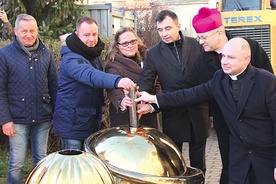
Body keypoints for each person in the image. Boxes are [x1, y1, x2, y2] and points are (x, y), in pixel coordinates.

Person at [135, 37, 276, 184]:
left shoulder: (267, 82)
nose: (224, 61)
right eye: (223, 56)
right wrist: (154, 100)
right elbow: (190, 94)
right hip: (238, 160)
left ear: (247, 59)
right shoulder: (219, 79)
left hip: (266, 159)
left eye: (231, 58)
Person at [137, 10, 210, 173]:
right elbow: (147, 79)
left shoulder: (197, 45)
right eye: (160, 30)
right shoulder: (154, 53)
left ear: (178, 26)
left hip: (198, 112)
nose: (164, 33)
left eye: (168, 28)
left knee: (199, 164)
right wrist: (139, 94)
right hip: (173, 113)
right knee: (174, 164)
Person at [53, 17, 134, 150]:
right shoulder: (71, 58)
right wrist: (118, 81)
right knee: (74, 164)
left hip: (88, 119)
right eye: (86, 35)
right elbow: (90, 75)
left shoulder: (92, 54)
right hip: (72, 123)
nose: (91, 39)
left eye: (94, 34)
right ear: (77, 34)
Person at [0, 14, 58, 184]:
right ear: (16, 31)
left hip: (42, 118)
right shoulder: (4, 54)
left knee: (41, 160)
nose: (28, 35)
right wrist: (5, 120)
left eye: (32, 31)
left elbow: (54, 87)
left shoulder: (46, 53)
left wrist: (57, 115)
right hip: (16, 119)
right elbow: (0, 90)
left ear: (37, 30)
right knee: (17, 162)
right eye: (24, 31)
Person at [105, 27, 160, 129]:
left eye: (133, 41)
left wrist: (154, 104)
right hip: (126, 117)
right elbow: (112, 88)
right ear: (117, 46)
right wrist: (121, 101)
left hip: (149, 113)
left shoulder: (148, 57)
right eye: (125, 43)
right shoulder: (113, 64)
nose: (130, 46)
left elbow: (157, 82)